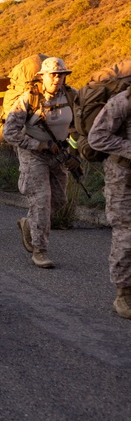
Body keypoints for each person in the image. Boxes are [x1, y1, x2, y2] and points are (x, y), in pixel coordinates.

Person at [2, 58, 77, 267]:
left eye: (60, 74)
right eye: (52, 74)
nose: (56, 78)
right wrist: (39, 145)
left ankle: (29, 223)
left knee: (59, 199)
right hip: (33, 155)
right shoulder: (29, 99)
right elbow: (10, 133)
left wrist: (73, 152)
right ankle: (39, 250)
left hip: (59, 154)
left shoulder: (71, 96)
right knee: (42, 201)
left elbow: (78, 128)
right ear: (42, 77)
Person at [87, 88, 131, 318]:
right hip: (124, 179)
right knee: (126, 234)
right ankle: (123, 294)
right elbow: (97, 137)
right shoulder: (123, 101)